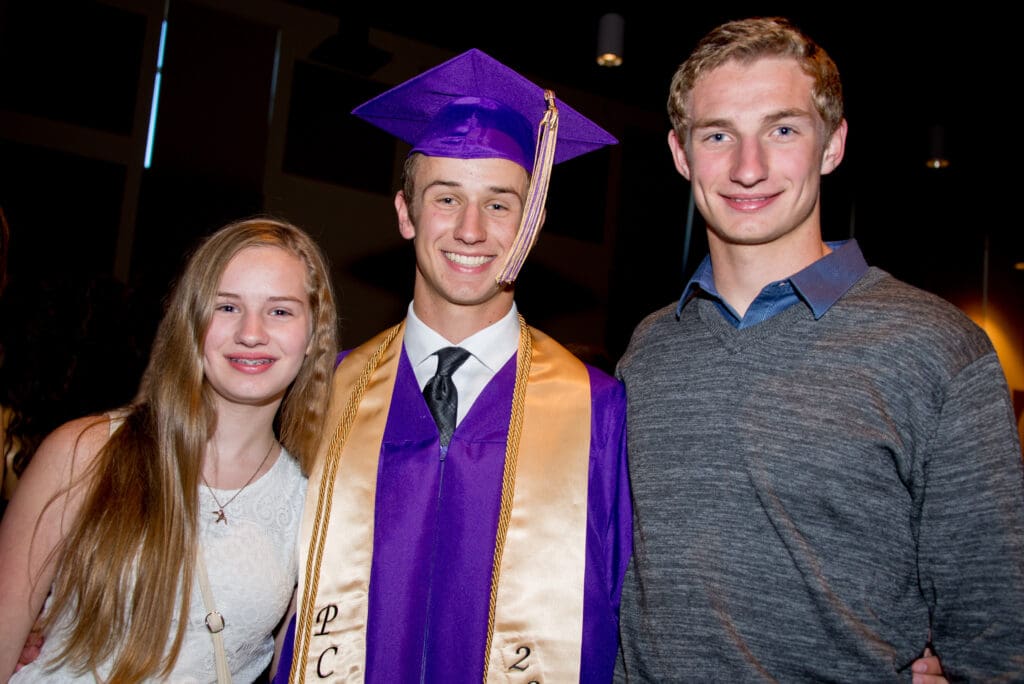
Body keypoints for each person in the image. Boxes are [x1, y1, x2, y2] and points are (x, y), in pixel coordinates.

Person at [614, 16, 1024, 682]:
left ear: (832, 144)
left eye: (783, 130)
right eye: (718, 135)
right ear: (681, 153)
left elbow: (997, 631)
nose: (749, 168)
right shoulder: (650, 349)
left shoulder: (937, 349)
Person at [275, 49, 631, 683]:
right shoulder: (326, 392)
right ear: (406, 213)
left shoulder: (596, 409)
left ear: (532, 223)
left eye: (500, 204)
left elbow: (630, 615)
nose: (471, 229)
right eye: (446, 199)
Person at [0, 217, 339, 681]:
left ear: (313, 335)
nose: (252, 332)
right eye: (226, 307)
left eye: (280, 311)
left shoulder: (314, 506)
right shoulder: (87, 453)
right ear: (191, 320)